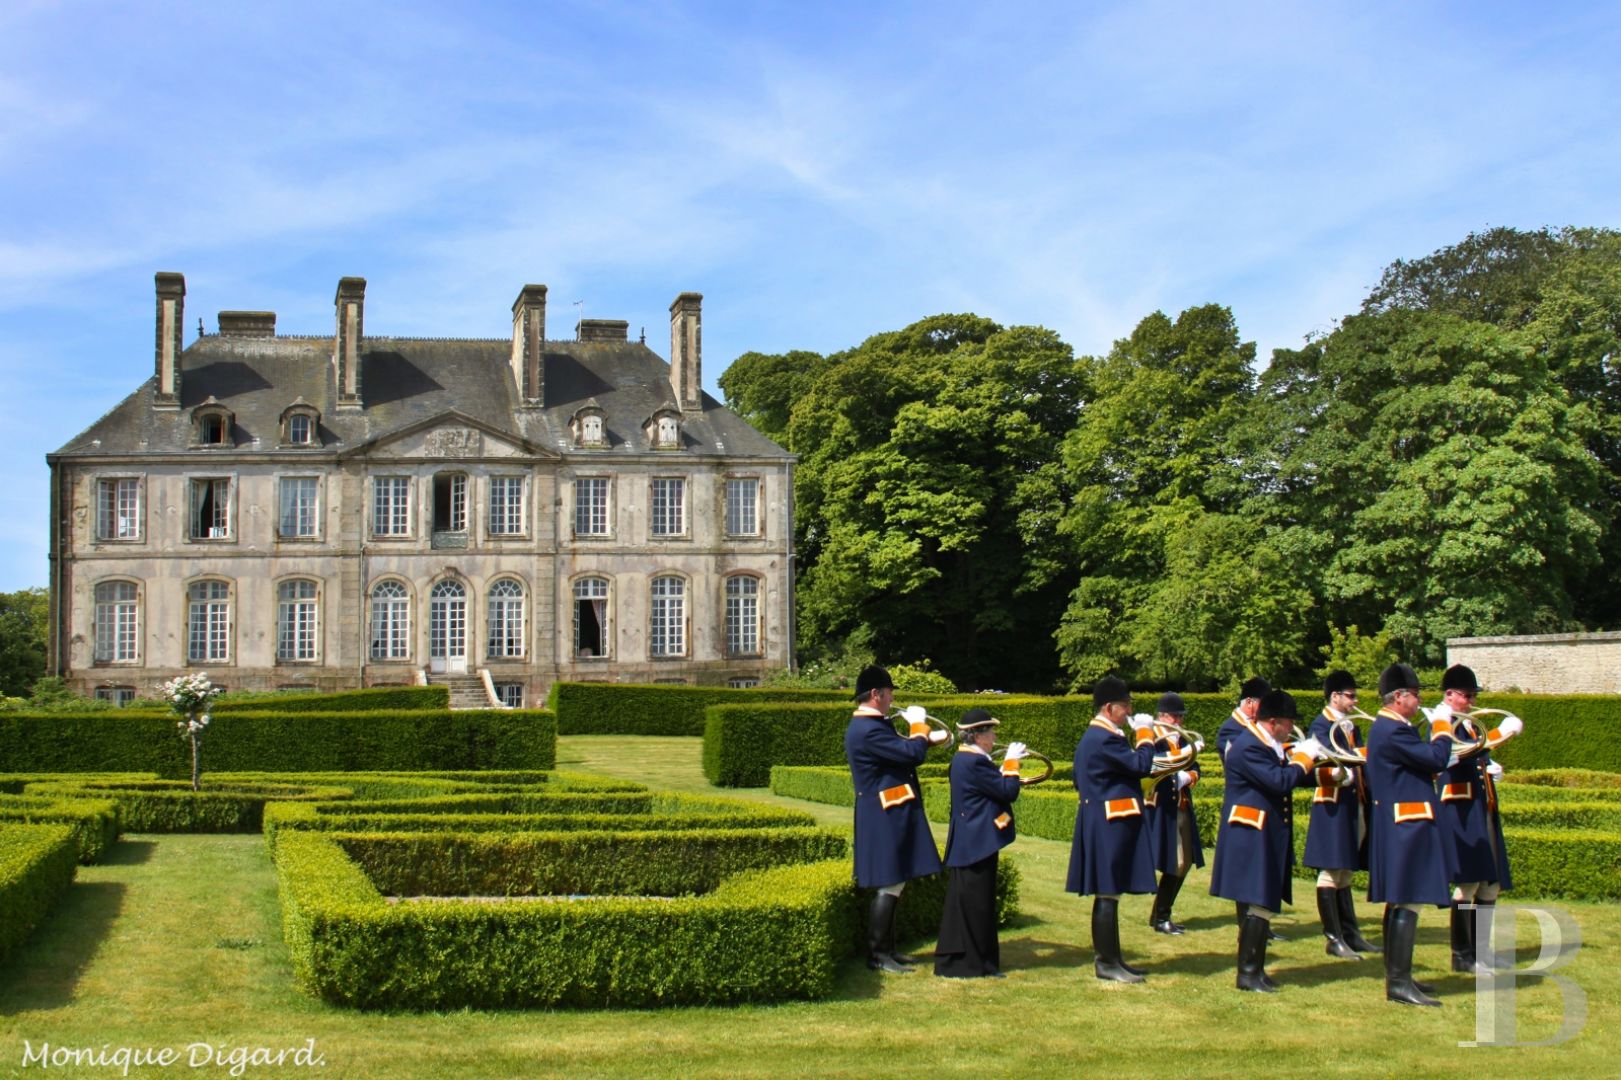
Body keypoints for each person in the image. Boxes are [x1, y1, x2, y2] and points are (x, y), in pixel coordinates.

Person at [1209, 690, 1328, 991]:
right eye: (1288, 723)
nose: (1291, 728)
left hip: (1261, 832)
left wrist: (1330, 775)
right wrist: (1304, 756)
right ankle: (1247, 973)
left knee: (1262, 905)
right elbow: (1280, 780)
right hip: (1250, 834)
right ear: (1273, 721)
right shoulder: (1249, 746)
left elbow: (1288, 774)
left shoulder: (1265, 742)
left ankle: (1255, 970)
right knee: (1257, 902)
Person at [844, 664, 947, 973]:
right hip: (883, 812)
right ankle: (877, 954)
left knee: (895, 881)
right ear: (876, 694)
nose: (891, 700)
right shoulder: (867, 729)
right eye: (888, 694)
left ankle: (887, 949)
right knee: (890, 882)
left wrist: (930, 737)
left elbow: (900, 750)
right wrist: (918, 726)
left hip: (890, 808)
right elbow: (910, 754)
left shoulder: (874, 725)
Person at [1366, 662, 1455, 1006]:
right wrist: (1443, 726)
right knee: (1409, 898)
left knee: (1401, 899)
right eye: (1415, 695)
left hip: (1401, 820)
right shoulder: (1394, 730)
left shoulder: (1391, 727)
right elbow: (1436, 759)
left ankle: (1398, 977)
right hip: (1408, 823)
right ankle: (1399, 983)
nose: (1419, 701)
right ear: (1399, 697)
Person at [1065, 676, 1160, 983]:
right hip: (1109, 821)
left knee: (1111, 892)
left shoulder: (1099, 736)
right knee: (1107, 891)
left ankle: (1114, 959)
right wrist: (1146, 734)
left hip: (1104, 818)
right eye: (1125, 705)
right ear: (1108, 707)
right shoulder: (1104, 737)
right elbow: (1141, 765)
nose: (1129, 710)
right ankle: (1107, 962)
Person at [1433, 663, 1524, 973]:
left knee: (1490, 884)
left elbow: (1477, 754)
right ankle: (1462, 955)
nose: (1471, 701)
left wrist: (1489, 766)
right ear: (1450, 694)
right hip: (1459, 808)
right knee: (1467, 884)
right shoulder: (1442, 721)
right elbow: (1457, 753)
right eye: (1467, 695)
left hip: (1480, 804)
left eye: (1473, 695)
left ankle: (1480, 951)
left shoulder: (1467, 721)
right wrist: (1501, 734)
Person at [935, 707, 1027, 978]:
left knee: (974, 903)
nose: (994, 735)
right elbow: (1008, 791)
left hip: (972, 840)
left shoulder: (970, 760)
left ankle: (978, 962)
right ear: (976, 735)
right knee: (977, 906)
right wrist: (1011, 764)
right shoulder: (973, 761)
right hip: (976, 842)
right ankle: (972, 963)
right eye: (990, 731)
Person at [1303, 669, 1380, 959]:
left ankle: (1351, 933)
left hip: (1353, 802)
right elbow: (1323, 760)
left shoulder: (1350, 726)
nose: (1354, 700)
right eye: (1350, 695)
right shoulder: (1322, 724)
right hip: (1332, 802)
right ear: (1334, 697)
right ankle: (1333, 937)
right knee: (1331, 869)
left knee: (1345, 870)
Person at [1215, 676, 1280, 937]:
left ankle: (1261, 925)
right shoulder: (1231, 730)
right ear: (1251, 703)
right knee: (1246, 872)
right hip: (1244, 804)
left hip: (1262, 804)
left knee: (1260, 869)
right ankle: (1248, 926)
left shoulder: (1256, 728)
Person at [1145, 691, 1203, 935]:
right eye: (1174, 717)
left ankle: (1160, 912)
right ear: (1162, 716)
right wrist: (1181, 764)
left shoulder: (1180, 740)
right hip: (1162, 808)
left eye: (1180, 717)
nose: (1178, 721)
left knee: (1186, 861)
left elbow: (1196, 769)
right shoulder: (1154, 740)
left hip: (1181, 804)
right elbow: (1152, 765)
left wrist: (1187, 777)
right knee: (1174, 862)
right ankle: (1161, 917)